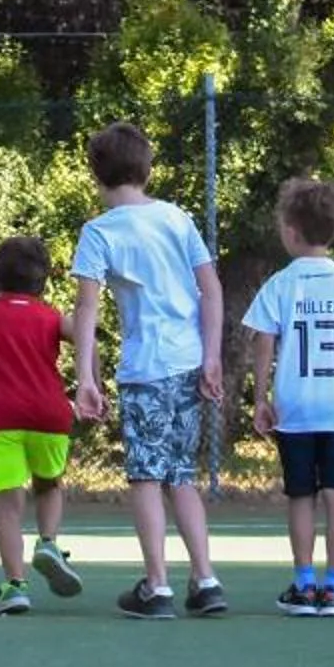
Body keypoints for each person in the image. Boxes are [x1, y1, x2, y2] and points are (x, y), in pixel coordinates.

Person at [69, 122, 229, 618]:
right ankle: (206, 580)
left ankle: (157, 585)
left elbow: (86, 308)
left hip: (146, 369)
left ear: (96, 173)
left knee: (144, 476)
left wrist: (85, 377)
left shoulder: (99, 232)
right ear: (147, 169)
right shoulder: (177, 218)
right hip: (188, 362)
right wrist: (211, 356)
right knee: (181, 474)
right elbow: (211, 290)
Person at [243, 179, 334, 617]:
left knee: (301, 495)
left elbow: (264, 342)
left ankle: (304, 585)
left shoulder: (281, 284)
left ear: (290, 231)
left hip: (295, 408)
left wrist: (261, 398)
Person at [0, 235, 81, 614]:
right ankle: (48, 541)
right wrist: (89, 384)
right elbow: (85, 338)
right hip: (50, 414)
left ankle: (14, 585)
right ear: (42, 279)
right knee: (49, 485)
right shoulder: (51, 316)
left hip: (0, 416)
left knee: (7, 503)